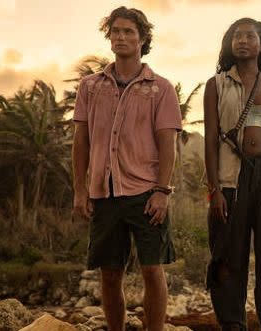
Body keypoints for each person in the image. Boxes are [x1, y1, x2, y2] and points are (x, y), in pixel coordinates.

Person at [72, 6, 181, 331]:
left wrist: (162, 191)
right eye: (115, 31)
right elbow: (81, 142)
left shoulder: (160, 88)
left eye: (129, 32)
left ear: (142, 38)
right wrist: (80, 189)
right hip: (104, 193)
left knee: (152, 269)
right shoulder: (90, 86)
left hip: (146, 192)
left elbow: (167, 144)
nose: (121, 37)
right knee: (109, 272)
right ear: (109, 36)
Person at [203, 17, 261, 331]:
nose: (242, 40)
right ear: (230, 44)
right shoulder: (216, 84)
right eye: (236, 36)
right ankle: (232, 323)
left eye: (250, 36)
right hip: (232, 176)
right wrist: (214, 189)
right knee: (228, 254)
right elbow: (211, 138)